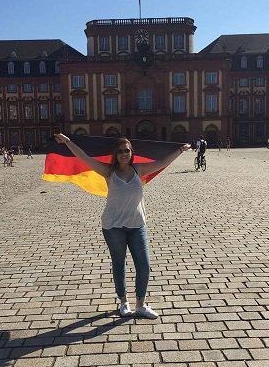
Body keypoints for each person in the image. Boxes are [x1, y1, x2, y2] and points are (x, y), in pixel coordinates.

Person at [54, 133, 191, 319]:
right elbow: (84, 157)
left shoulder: (139, 169)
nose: (123, 154)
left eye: (126, 150)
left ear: (131, 152)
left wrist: (180, 150)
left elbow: (162, 162)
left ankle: (140, 305)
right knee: (119, 264)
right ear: (115, 154)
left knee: (144, 265)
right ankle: (124, 302)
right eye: (120, 151)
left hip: (137, 225)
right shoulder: (108, 172)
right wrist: (67, 141)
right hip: (114, 226)